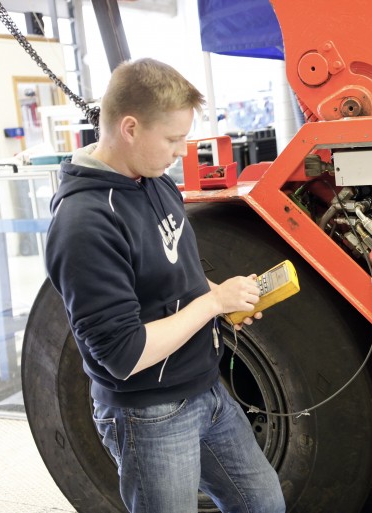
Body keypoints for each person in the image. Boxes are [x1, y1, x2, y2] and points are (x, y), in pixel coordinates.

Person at [45, 58, 285, 513]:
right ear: (130, 128)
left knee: (261, 504)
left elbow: (177, 272)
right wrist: (212, 303)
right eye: (173, 139)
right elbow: (123, 355)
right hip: (149, 412)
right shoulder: (84, 225)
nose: (181, 152)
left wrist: (222, 295)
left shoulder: (152, 181)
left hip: (205, 389)